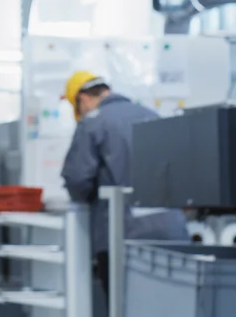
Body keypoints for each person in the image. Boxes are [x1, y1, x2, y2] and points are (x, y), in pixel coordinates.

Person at [61, 71, 188, 308]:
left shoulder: (93, 123)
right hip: (171, 232)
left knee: (125, 307)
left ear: (83, 99)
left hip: (122, 236)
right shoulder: (152, 115)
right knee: (170, 307)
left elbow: (77, 180)